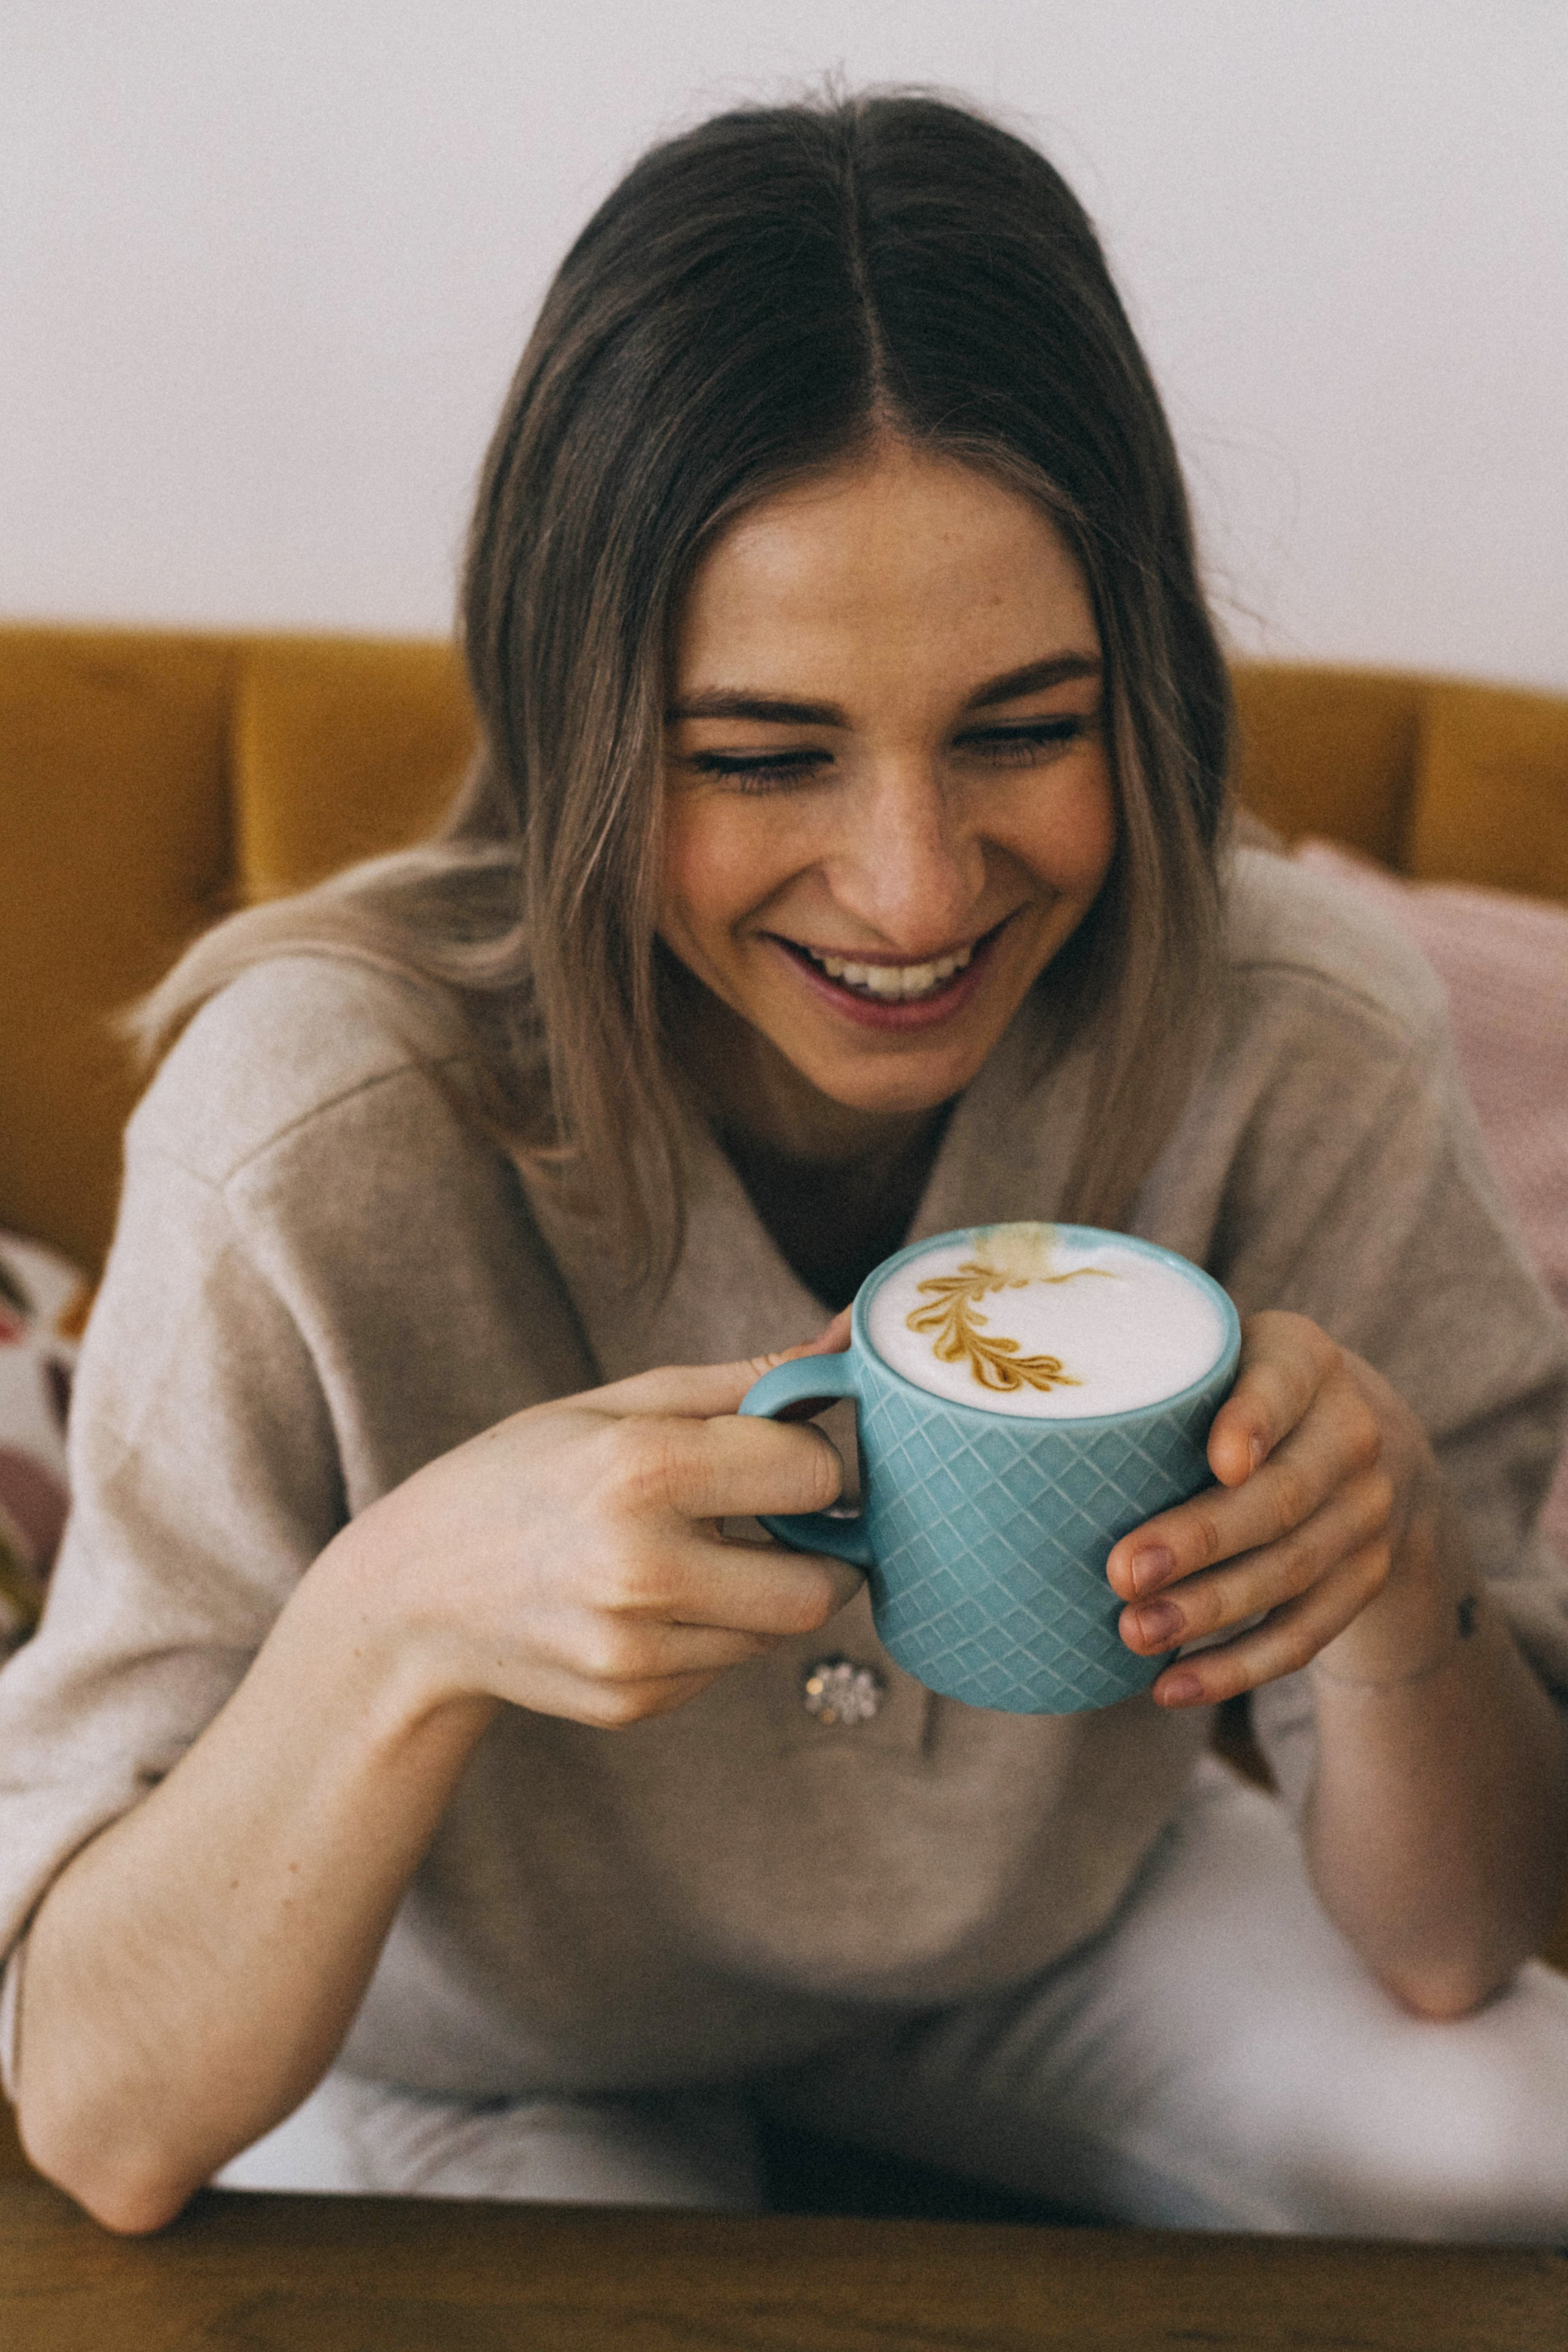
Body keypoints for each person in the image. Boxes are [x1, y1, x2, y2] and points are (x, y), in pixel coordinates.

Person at [4, 91, 1568, 2242]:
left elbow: (1452, 1946)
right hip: (477, 2038)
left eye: (1027, 728)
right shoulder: (306, 1126)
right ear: (575, 732)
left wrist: (1394, 1574)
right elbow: (100, 2110)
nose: (916, 890)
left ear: (1157, 697)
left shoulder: (1293, 1036)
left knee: (1522, 2139)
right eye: (759, 757)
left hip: (1049, 1942)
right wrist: (396, 1620)